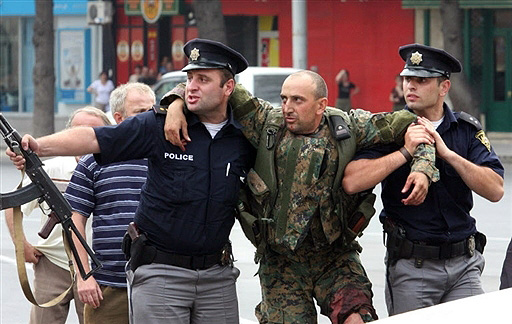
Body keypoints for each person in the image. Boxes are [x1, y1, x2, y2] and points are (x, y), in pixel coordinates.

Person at [7, 39, 255, 324]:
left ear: (228, 88)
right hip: (162, 273)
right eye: (188, 79)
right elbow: (94, 138)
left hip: (217, 276)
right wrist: (39, 145)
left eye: (203, 79)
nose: (192, 87)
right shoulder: (158, 125)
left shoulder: (246, 136)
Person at [163, 69, 440, 323]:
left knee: (358, 318)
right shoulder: (265, 123)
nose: (287, 108)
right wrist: (176, 103)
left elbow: (414, 125)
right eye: (284, 99)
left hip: (334, 256)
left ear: (321, 105)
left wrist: (423, 168)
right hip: (281, 263)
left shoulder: (348, 127)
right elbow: (210, 82)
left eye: (297, 100)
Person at [342, 44, 505, 316]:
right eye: (407, 79)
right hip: (413, 267)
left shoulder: (465, 129)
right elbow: (352, 181)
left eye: (422, 80)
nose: (411, 86)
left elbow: (496, 189)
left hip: (464, 264)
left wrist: (449, 154)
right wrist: (404, 152)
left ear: (444, 87)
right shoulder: (388, 130)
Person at [4, 106, 111, 324]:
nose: (84, 137)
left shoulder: (113, 170)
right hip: (53, 263)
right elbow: (13, 205)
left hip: (97, 266)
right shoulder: (51, 170)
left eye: (92, 132)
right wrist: (21, 245)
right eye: (78, 130)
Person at [65, 82, 155, 324]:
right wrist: (84, 276)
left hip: (161, 286)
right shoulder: (93, 162)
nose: (149, 118)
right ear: (119, 117)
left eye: (152, 111)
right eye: (140, 113)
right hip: (109, 288)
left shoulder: (167, 157)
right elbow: (74, 221)